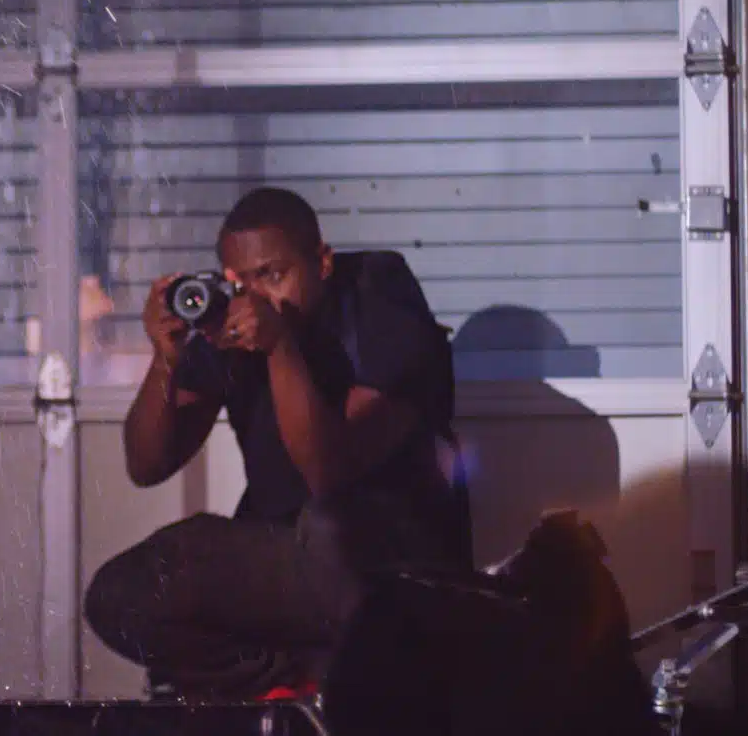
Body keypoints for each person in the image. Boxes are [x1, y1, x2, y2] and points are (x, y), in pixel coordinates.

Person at [83, 187, 466, 701]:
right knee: (120, 594)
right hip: (289, 564)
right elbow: (147, 463)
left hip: (390, 567)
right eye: (242, 281)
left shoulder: (376, 297)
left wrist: (279, 346)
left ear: (323, 262)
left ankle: (318, 676)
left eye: (274, 274)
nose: (258, 296)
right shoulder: (235, 323)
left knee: (329, 530)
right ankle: (285, 680)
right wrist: (166, 359)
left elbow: (328, 474)